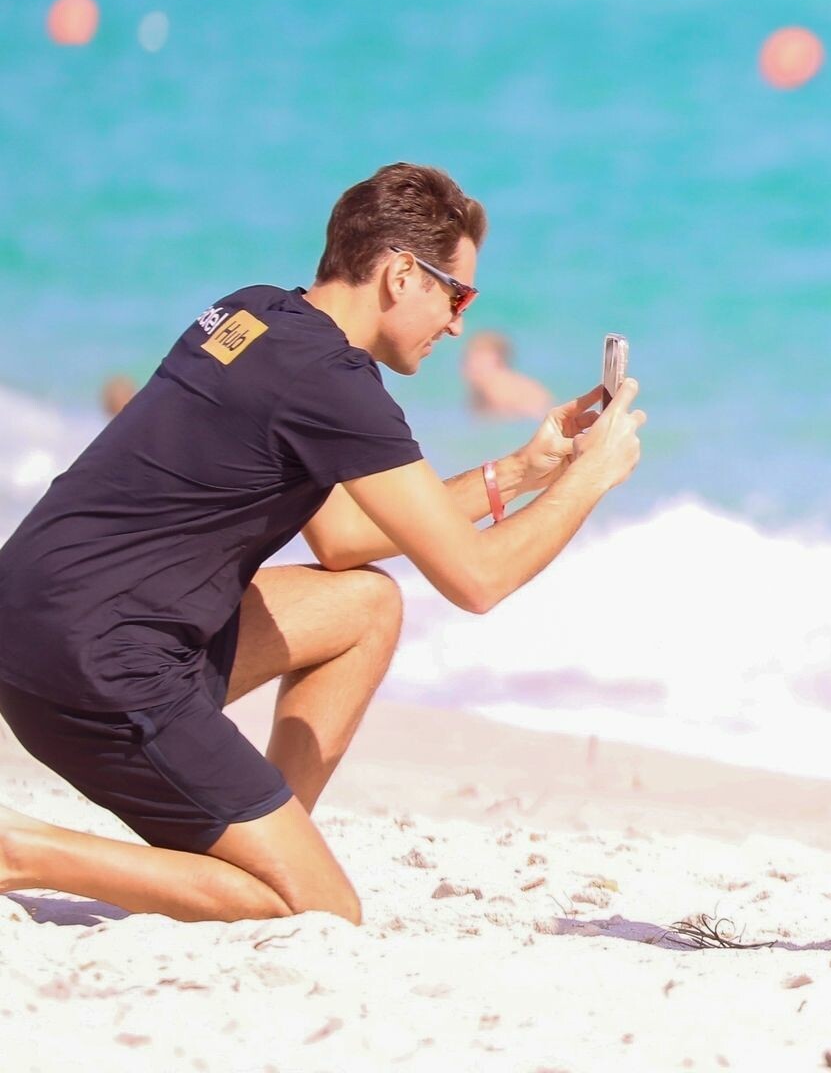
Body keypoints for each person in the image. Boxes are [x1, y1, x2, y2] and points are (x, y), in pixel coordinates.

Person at [0, 163, 645, 924]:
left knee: (365, 605)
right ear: (402, 274)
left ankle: (261, 840)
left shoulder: (252, 313)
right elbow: (478, 580)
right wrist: (591, 479)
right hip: (99, 667)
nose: (457, 326)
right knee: (316, 910)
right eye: (458, 296)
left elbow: (343, 540)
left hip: (33, 626)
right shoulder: (333, 383)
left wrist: (520, 472)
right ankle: (23, 850)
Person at [462, 329, 554, 419]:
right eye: (468, 359)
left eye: (479, 361)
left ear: (500, 362)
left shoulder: (504, 392)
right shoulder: (480, 393)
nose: (470, 366)